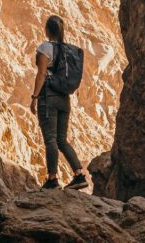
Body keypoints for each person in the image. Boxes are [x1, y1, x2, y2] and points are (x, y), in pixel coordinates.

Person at [30, 14, 88, 190]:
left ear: (47, 30)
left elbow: (41, 74)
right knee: (62, 139)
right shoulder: (68, 50)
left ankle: (52, 179)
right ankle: (79, 175)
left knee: (51, 139)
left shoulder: (45, 48)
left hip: (49, 96)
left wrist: (34, 97)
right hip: (64, 98)